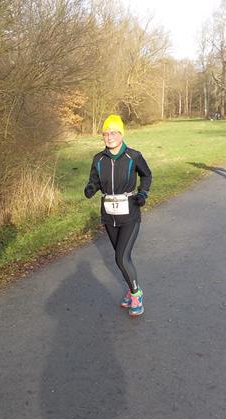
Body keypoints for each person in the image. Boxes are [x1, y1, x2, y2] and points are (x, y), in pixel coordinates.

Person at [84, 114, 152, 317]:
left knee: (121, 257)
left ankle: (136, 295)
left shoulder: (134, 156)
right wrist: (91, 187)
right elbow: (94, 180)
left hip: (130, 214)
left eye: (113, 132)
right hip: (109, 215)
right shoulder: (98, 159)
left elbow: (147, 175)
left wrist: (143, 193)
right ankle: (131, 290)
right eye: (106, 133)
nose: (109, 136)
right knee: (122, 258)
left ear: (121, 134)